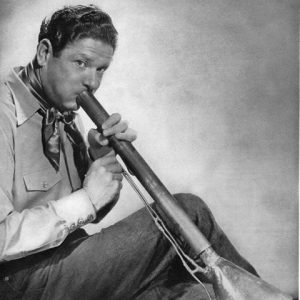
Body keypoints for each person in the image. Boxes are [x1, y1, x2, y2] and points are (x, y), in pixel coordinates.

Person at [0, 5, 258, 300]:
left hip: (70, 263)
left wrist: (99, 160)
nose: (93, 82)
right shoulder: (3, 111)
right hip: (18, 282)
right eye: (81, 63)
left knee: (197, 295)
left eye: (101, 69)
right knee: (189, 211)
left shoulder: (63, 106)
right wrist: (86, 200)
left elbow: (90, 216)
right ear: (45, 53)